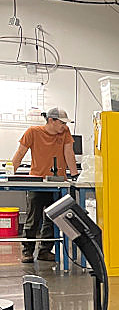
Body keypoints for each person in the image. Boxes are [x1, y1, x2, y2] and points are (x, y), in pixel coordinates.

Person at [8, 107, 79, 263]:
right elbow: (20, 153)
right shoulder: (33, 132)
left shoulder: (65, 132)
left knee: (52, 218)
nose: (64, 126)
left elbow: (69, 153)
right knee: (33, 218)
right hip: (37, 181)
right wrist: (8, 174)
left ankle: (45, 251)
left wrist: (74, 176)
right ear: (51, 120)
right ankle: (27, 251)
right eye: (61, 123)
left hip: (58, 183)